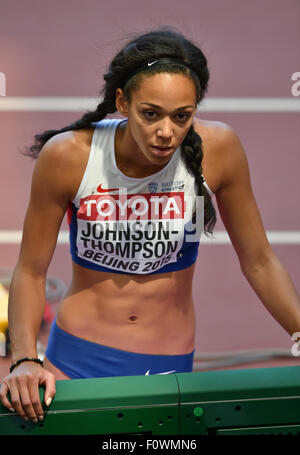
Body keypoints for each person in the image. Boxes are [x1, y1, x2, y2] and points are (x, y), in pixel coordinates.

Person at [1, 26, 300, 424]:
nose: (166, 132)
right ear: (122, 102)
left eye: (182, 116)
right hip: (74, 358)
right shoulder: (69, 156)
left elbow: (260, 261)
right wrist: (22, 358)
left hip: (167, 364)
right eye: (150, 114)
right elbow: (31, 270)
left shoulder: (220, 151)